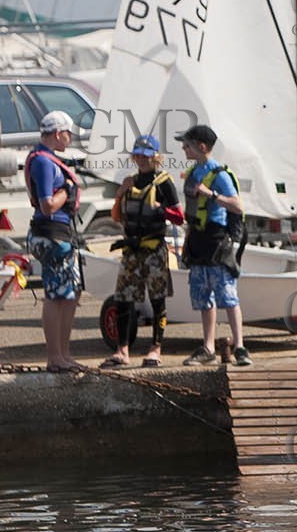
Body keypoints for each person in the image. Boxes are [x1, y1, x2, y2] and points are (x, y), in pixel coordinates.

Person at [102, 134, 183, 368]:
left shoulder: (164, 183)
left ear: (156, 157)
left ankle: (156, 348)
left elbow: (179, 217)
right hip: (131, 250)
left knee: (157, 300)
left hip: (154, 249)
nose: (141, 160)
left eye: (146, 156)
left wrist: (160, 210)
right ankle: (122, 350)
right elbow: (117, 216)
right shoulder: (130, 181)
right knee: (123, 300)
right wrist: (120, 193)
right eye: (137, 155)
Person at [178, 124, 249, 366]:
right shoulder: (191, 173)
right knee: (202, 296)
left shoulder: (220, 175)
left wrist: (211, 195)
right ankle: (208, 347)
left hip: (217, 241)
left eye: (187, 144)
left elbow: (238, 206)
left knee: (228, 296)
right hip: (197, 240)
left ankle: (240, 347)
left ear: (202, 146)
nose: (183, 148)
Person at [26, 111, 86, 371]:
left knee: (72, 293)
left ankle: (64, 352)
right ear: (59, 133)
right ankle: (54, 357)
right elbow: (47, 204)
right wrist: (66, 191)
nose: (70, 138)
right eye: (69, 133)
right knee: (56, 295)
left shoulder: (48, 159)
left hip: (62, 233)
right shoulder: (43, 162)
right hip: (50, 234)